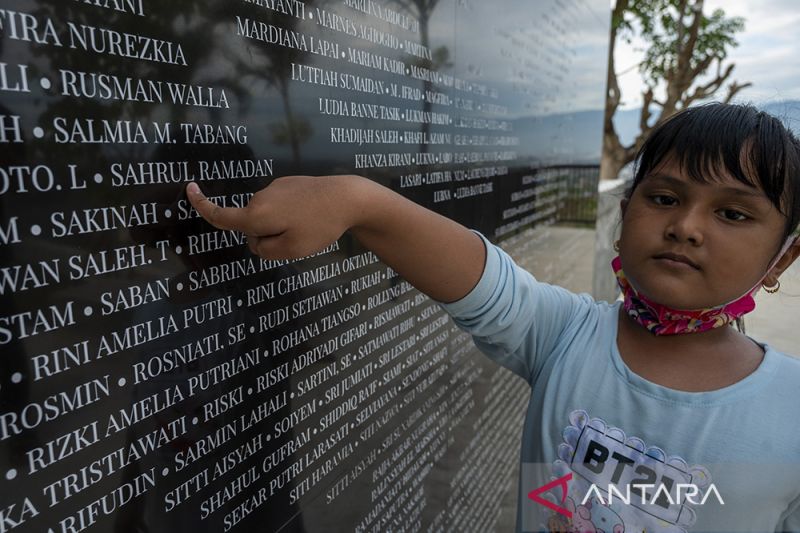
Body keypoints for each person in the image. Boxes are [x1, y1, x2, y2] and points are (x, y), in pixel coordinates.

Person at [185, 103, 800, 532]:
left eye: (734, 214)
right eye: (664, 198)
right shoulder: (567, 337)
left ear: (784, 256)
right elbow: (481, 278)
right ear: (626, 213)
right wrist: (356, 201)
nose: (686, 226)